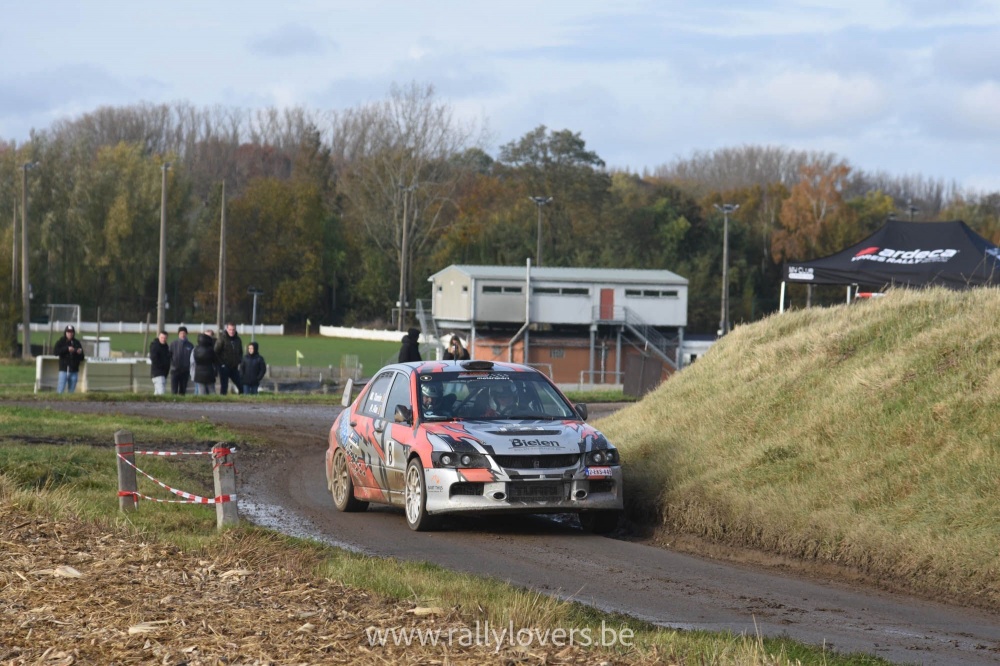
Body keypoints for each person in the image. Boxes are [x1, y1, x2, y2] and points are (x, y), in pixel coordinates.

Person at [53, 325, 85, 394]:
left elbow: (82, 357)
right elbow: (55, 352)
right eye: (68, 332)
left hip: (74, 370)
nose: (70, 333)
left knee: (71, 391)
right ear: (65, 332)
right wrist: (67, 349)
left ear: (73, 333)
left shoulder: (77, 343)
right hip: (63, 370)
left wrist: (78, 352)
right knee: (60, 390)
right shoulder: (61, 341)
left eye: (71, 332)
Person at [215, 321, 243, 394]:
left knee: (240, 385)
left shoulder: (238, 340)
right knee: (224, 386)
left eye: (233, 329)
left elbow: (240, 352)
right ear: (227, 329)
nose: (232, 331)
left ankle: (242, 401)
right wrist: (222, 364)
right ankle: (222, 402)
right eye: (230, 329)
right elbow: (216, 352)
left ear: (235, 329)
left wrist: (239, 361)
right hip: (224, 367)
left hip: (234, 367)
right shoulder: (222, 339)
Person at [168, 326, 194, 395]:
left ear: (186, 334)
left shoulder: (190, 345)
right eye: (181, 333)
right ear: (178, 334)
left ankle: (182, 404)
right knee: (174, 390)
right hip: (175, 370)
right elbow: (169, 356)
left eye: (184, 333)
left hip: (185, 371)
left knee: (183, 390)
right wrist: (172, 365)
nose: (182, 334)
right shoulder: (173, 344)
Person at [191, 330, 218, 395]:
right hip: (209, 372)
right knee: (212, 391)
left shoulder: (196, 349)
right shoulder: (211, 350)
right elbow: (215, 361)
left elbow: (192, 362)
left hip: (198, 374)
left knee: (201, 392)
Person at [149, 331, 172, 395]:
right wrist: (162, 366)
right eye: (162, 337)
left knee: (157, 393)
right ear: (159, 337)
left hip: (163, 373)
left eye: (165, 338)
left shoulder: (166, 347)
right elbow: (154, 359)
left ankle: (153, 404)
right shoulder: (155, 347)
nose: (163, 339)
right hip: (157, 373)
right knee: (162, 392)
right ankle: (162, 404)